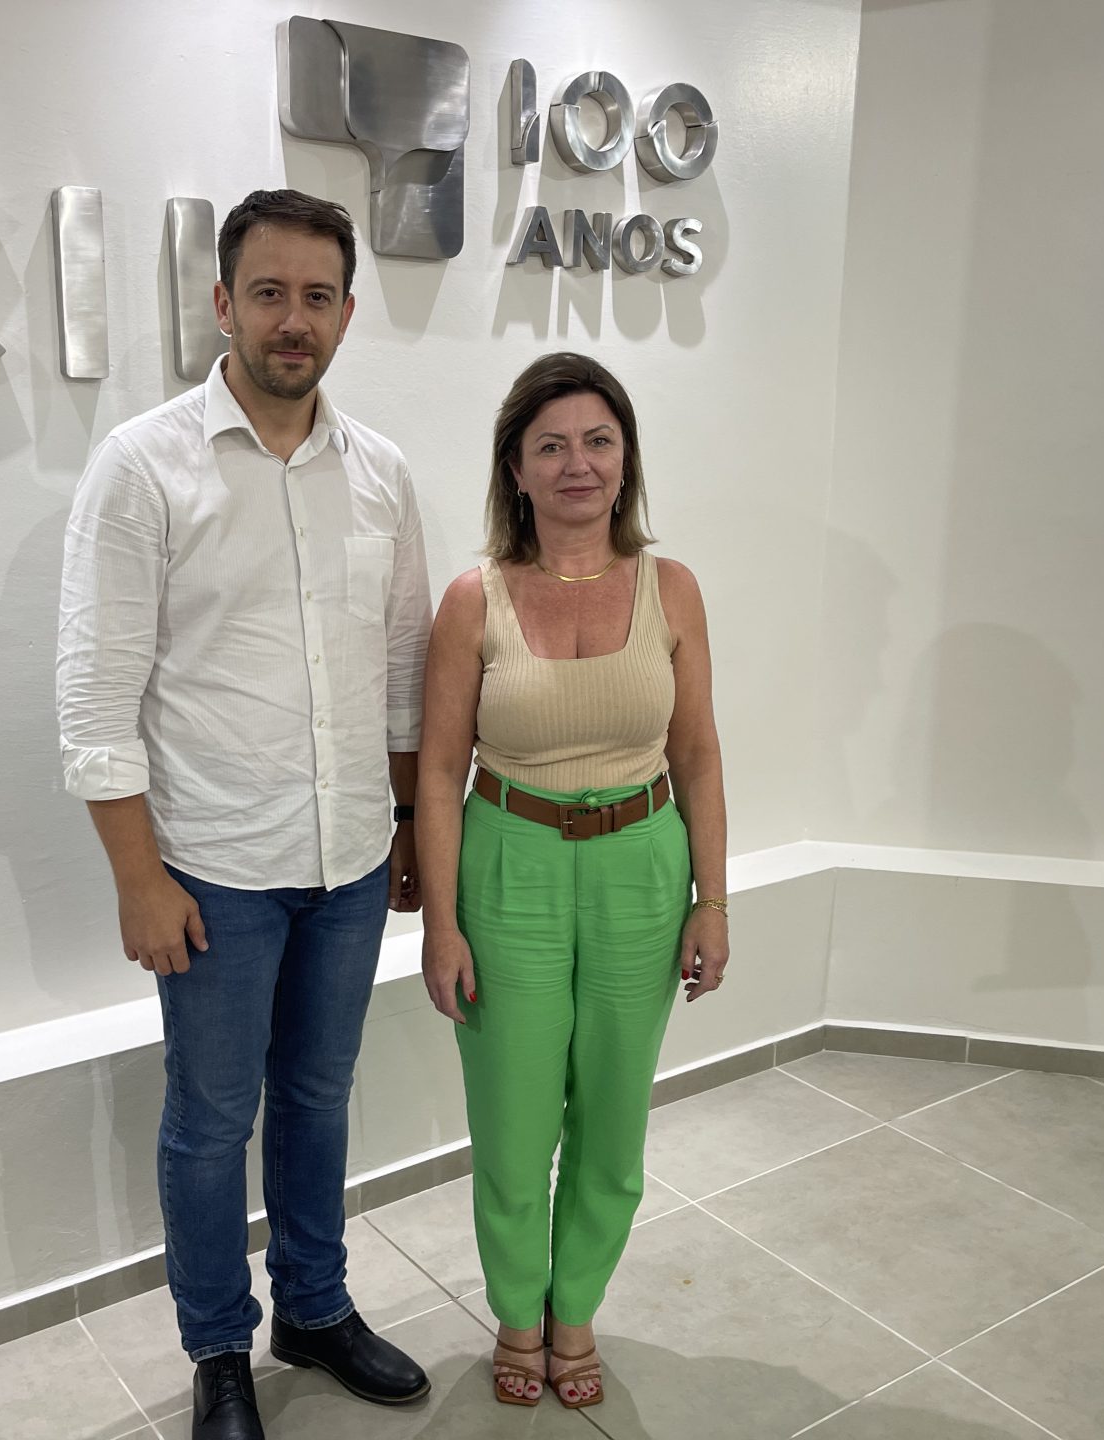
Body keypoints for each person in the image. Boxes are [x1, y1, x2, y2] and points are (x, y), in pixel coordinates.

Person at [57, 189, 433, 1440]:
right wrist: (138, 879)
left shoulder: (380, 475)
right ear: (223, 303)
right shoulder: (143, 466)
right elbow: (95, 696)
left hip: (348, 860)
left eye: (317, 297)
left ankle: (314, 1310)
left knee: (319, 1098)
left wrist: (405, 827)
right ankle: (218, 1347)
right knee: (212, 1121)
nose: (292, 320)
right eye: (268, 293)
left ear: (346, 314)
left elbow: (399, 670)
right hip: (212, 867)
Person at [415, 352, 730, 1408]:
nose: (577, 463)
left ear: (626, 458)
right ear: (515, 469)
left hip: (645, 866)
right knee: (513, 1120)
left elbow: (699, 755)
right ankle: (518, 1312)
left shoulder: (672, 590)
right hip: (511, 865)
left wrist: (712, 900)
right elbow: (437, 771)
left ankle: (576, 1310)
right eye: (550, 445)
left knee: (614, 1113)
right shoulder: (474, 601)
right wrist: (441, 924)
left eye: (598, 441)